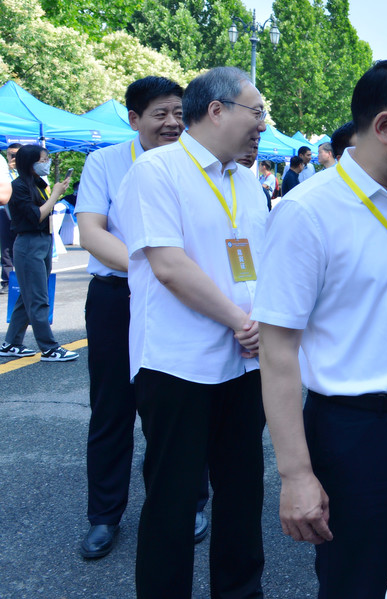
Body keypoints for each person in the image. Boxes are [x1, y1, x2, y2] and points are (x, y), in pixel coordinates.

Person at [255, 58, 387, 599]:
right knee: (354, 584)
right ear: (385, 126)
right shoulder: (309, 212)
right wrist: (295, 475)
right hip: (357, 438)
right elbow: (278, 349)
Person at [115, 66, 268, 598]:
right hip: (177, 365)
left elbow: (260, 266)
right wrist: (241, 322)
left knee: (244, 495)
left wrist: (261, 326)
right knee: (174, 501)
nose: (263, 125)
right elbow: (169, 266)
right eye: (256, 112)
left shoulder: (248, 183)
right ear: (218, 109)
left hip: (245, 364)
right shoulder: (157, 171)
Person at [75, 77, 216, 560]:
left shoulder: (200, 164)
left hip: (179, 298)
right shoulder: (105, 162)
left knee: (180, 403)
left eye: (178, 112)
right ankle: (104, 515)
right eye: (160, 114)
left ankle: (191, 502)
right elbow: (91, 232)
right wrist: (148, 267)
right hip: (118, 299)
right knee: (112, 408)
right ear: (134, 119)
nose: (172, 122)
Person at [0, 145, 76, 361]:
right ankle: (49, 347)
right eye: (43, 160)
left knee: (27, 296)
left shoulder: (37, 183)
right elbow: (36, 216)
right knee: (38, 298)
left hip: (43, 241)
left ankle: (12, 343)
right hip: (29, 243)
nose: (46, 164)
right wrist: (54, 196)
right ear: (29, 162)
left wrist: (54, 194)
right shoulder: (19, 187)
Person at [0, 140, 19, 291]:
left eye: (15, 155)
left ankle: (21, 277)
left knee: (21, 245)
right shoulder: (3, 169)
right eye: (9, 155)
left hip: (22, 212)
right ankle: (7, 280)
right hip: (5, 211)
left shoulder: (27, 170)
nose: (11, 158)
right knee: (6, 247)